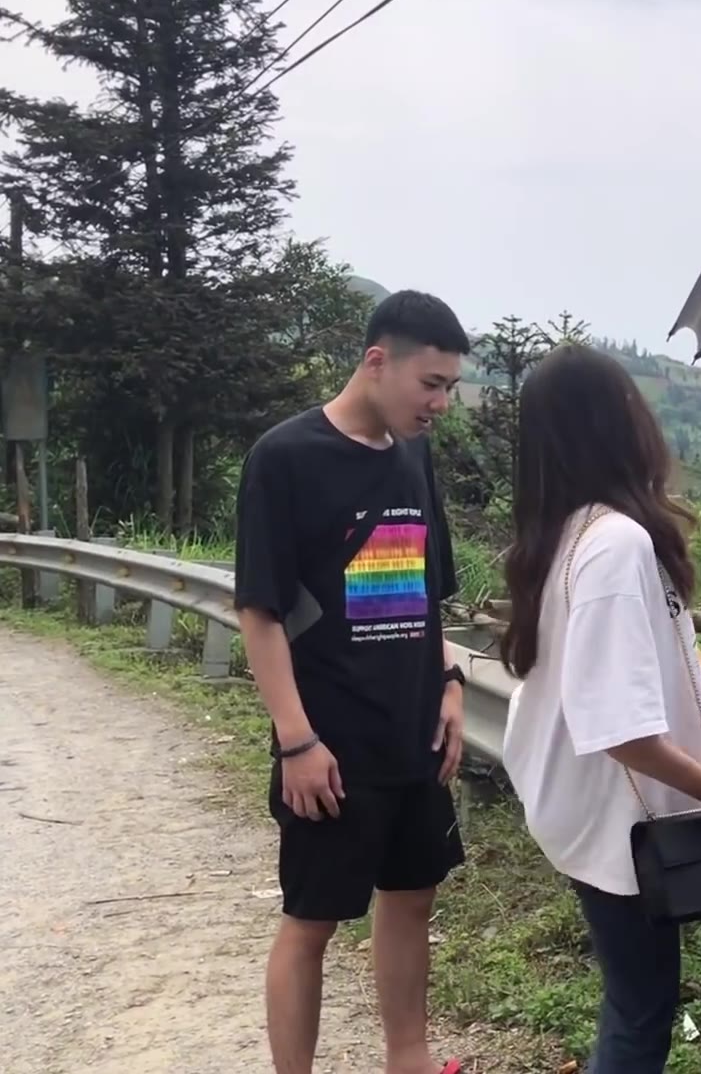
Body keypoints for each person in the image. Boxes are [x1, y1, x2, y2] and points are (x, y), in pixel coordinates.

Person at [498, 343, 701, 1073]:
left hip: (580, 808)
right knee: (641, 1011)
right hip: (614, 818)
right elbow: (621, 730)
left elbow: (680, 658)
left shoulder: (569, 534)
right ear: (622, 425)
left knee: (637, 999)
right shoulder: (614, 542)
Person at [234, 290, 472, 1074]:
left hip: (413, 735)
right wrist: (296, 740)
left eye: (448, 388)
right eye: (429, 383)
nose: (440, 403)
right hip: (329, 744)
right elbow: (260, 612)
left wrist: (449, 688)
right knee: (313, 920)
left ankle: (409, 1059)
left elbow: (430, 593)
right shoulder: (286, 457)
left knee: (411, 901)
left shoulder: (413, 454)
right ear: (377, 361)